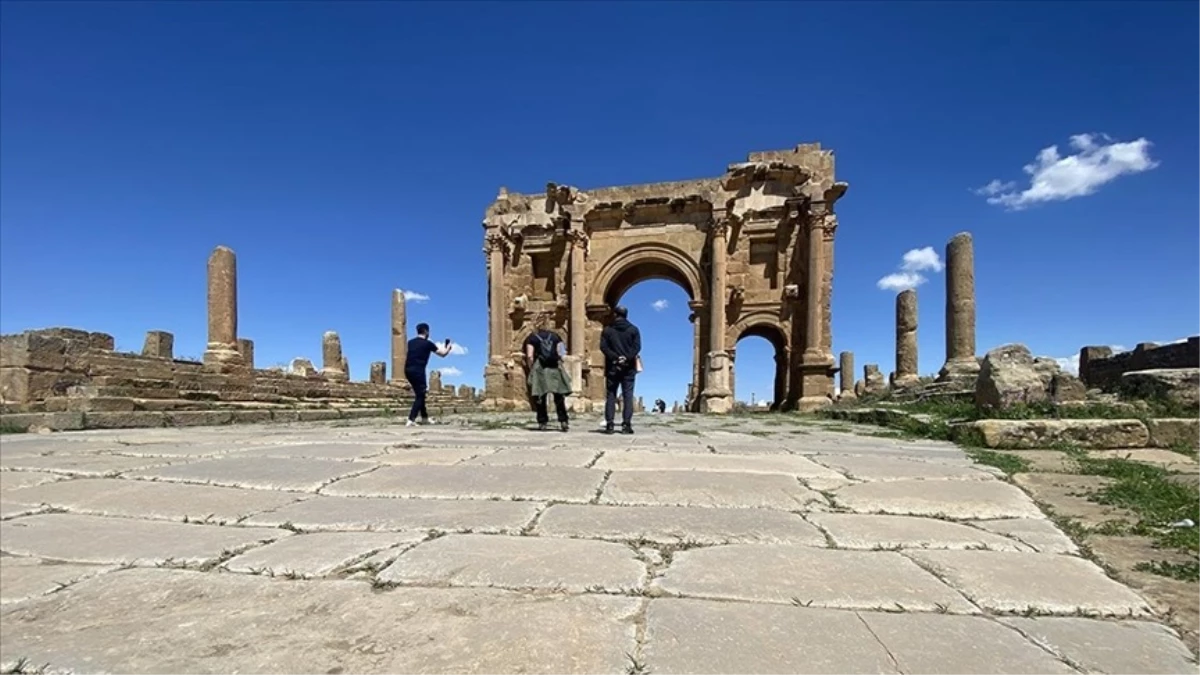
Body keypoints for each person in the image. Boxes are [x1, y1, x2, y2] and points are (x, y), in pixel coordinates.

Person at [523, 318, 571, 432]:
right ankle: (563, 420)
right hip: (554, 367)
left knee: (540, 396)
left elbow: (529, 356)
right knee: (559, 396)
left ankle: (542, 422)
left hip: (540, 368)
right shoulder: (556, 336)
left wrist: (531, 368)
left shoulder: (532, 338)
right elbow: (561, 353)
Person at [600, 305, 641, 434]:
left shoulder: (607, 330)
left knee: (611, 395)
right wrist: (626, 358)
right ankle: (626, 425)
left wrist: (616, 358)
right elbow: (637, 347)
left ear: (615, 315)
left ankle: (610, 425)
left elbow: (603, 347)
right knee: (628, 395)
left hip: (613, 366)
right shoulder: (634, 330)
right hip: (628, 367)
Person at [404, 322, 453, 427]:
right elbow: (443, 354)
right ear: (426, 331)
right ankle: (411, 419)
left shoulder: (410, 342)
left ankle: (425, 418)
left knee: (420, 394)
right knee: (420, 395)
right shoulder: (428, 343)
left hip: (407, 370)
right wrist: (448, 347)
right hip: (418, 371)